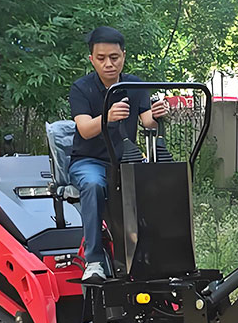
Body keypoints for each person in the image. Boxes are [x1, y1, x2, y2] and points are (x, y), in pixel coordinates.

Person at [68, 26, 168, 284]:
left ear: (124, 55)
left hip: (125, 162)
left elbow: (148, 123)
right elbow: (84, 129)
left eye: (114, 57)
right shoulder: (81, 88)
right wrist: (107, 118)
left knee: (158, 182)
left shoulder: (135, 85)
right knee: (92, 185)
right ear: (92, 59)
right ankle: (93, 261)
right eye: (101, 59)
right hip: (88, 161)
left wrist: (157, 114)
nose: (108, 64)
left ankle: (152, 255)